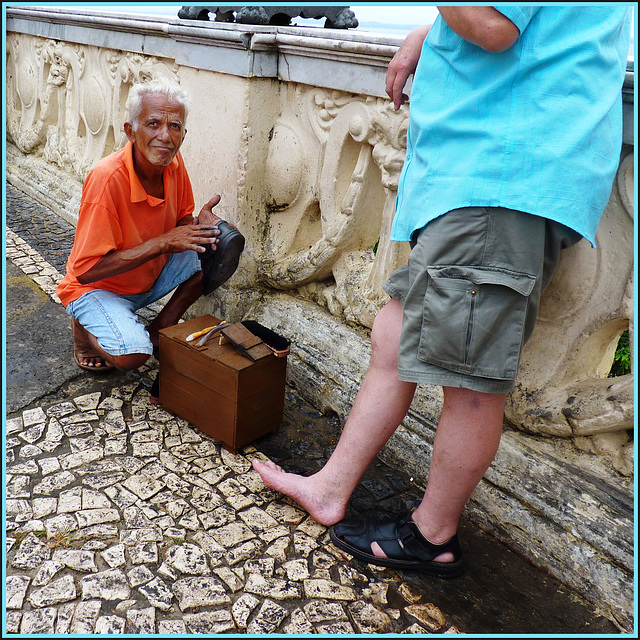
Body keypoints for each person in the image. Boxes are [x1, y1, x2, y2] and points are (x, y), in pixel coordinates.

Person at [253, 6, 631, 577]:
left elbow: (496, 25)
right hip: (488, 171)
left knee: (472, 379)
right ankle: (330, 487)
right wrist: (430, 30)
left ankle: (433, 534)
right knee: (394, 331)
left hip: (501, 173)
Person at [57, 77, 240, 375]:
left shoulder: (173, 165)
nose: (165, 136)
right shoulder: (107, 179)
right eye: (153, 123)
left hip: (144, 279)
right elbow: (85, 270)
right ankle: (84, 334)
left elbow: (181, 225)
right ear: (131, 131)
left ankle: (159, 329)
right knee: (132, 357)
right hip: (94, 288)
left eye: (175, 126)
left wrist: (200, 224)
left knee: (219, 241)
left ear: (183, 134)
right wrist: (165, 242)